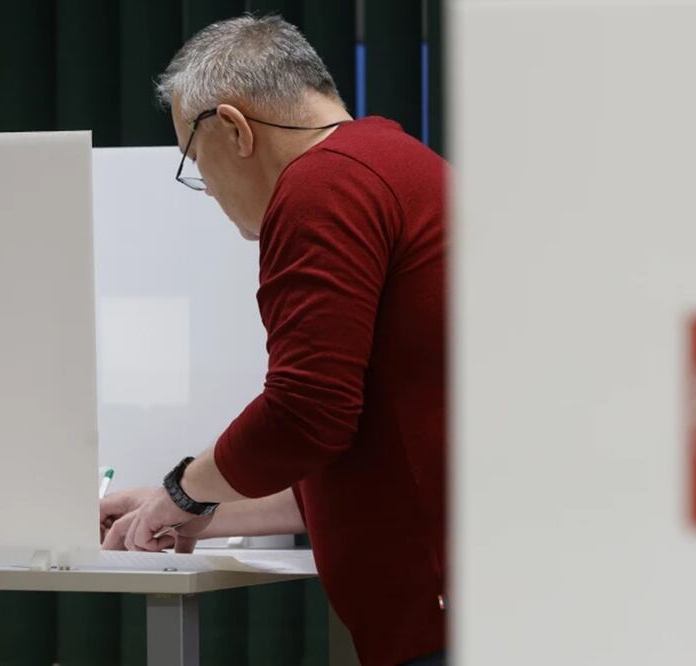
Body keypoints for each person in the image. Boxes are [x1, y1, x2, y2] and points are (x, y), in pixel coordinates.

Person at [99, 15, 446, 666]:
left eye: (195, 162)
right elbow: (363, 458)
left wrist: (184, 487)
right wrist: (191, 508)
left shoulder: (322, 185)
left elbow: (305, 413)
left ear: (233, 128)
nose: (206, 192)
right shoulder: (391, 163)